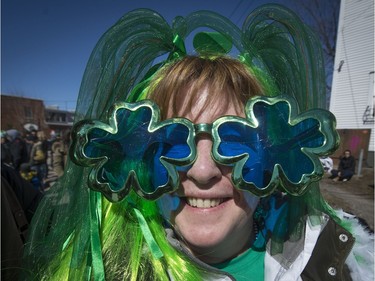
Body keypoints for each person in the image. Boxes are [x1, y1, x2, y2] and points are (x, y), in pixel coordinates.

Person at [22, 5, 373, 281]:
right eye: (171, 141)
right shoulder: (99, 269)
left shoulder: (338, 259)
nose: (202, 171)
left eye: (237, 141)